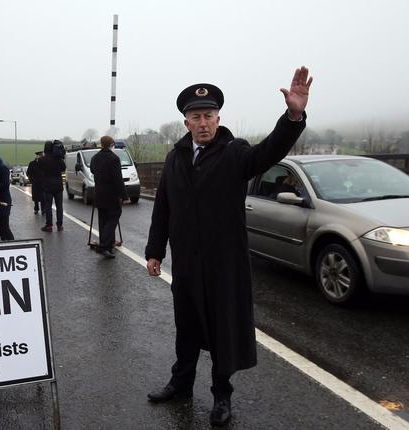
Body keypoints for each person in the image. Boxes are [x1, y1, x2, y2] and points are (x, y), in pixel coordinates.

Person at [144, 67, 312, 426]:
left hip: (224, 265)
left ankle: (222, 396)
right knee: (186, 327)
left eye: (208, 115)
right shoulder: (175, 158)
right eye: (196, 116)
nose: (203, 122)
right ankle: (181, 383)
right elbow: (164, 207)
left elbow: (269, 152)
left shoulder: (235, 153)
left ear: (218, 118)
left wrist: (293, 116)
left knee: (222, 330)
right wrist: (155, 251)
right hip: (187, 263)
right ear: (185, 122)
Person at [90, 135, 128, 258]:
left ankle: (109, 245)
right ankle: (103, 246)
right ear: (111, 144)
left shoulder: (95, 158)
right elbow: (118, 179)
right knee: (113, 219)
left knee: (103, 221)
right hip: (111, 195)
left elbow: (92, 171)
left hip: (99, 194)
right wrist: (124, 196)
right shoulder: (114, 158)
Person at [38, 140, 66, 232]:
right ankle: (60, 225)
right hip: (58, 185)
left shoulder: (42, 159)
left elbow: (40, 171)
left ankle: (49, 225)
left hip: (47, 186)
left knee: (48, 206)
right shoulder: (58, 159)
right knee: (59, 206)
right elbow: (63, 168)